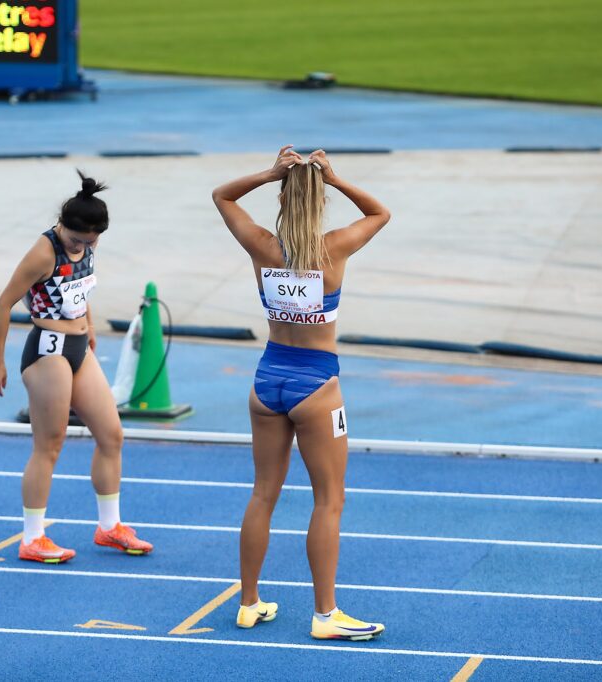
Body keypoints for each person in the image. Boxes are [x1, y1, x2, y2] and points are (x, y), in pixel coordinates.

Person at [212, 146, 391, 640]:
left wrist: (270, 173)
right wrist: (335, 178)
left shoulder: (262, 247)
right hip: (317, 386)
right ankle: (325, 615)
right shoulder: (334, 248)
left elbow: (222, 196)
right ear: (321, 203)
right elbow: (380, 213)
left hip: (267, 381)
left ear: (281, 199)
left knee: (262, 493)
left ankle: (248, 602)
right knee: (329, 500)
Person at [0, 172, 153, 563]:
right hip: (49, 351)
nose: (82, 246)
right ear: (62, 224)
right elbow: (3, 304)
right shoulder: (44, 253)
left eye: (90, 241)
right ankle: (32, 537)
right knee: (50, 444)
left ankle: (109, 526)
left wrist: (89, 326)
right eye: (77, 240)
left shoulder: (89, 244)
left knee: (112, 435)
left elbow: (79, 285)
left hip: (78, 347)